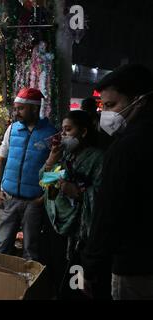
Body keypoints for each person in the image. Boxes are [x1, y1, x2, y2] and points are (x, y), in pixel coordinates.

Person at [82, 64, 153, 300]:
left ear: (139, 100)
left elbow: (108, 211)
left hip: (135, 265)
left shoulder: (126, 147)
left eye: (111, 105)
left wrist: (90, 267)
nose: (106, 115)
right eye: (103, 107)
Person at [40, 110, 104, 299]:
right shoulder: (64, 157)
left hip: (79, 233)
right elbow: (43, 180)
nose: (63, 135)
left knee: (75, 281)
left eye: (68, 130)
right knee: (58, 271)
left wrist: (77, 193)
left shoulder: (98, 158)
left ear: (83, 132)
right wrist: (51, 159)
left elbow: (103, 197)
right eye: (62, 130)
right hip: (56, 224)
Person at [0, 88, 57, 261]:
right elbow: (1, 160)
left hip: (33, 202)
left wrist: (44, 197)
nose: (16, 112)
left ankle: (29, 285)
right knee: (3, 245)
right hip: (9, 198)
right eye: (16, 108)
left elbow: (57, 168)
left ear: (35, 109)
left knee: (31, 249)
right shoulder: (12, 129)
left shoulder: (51, 133)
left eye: (21, 108)